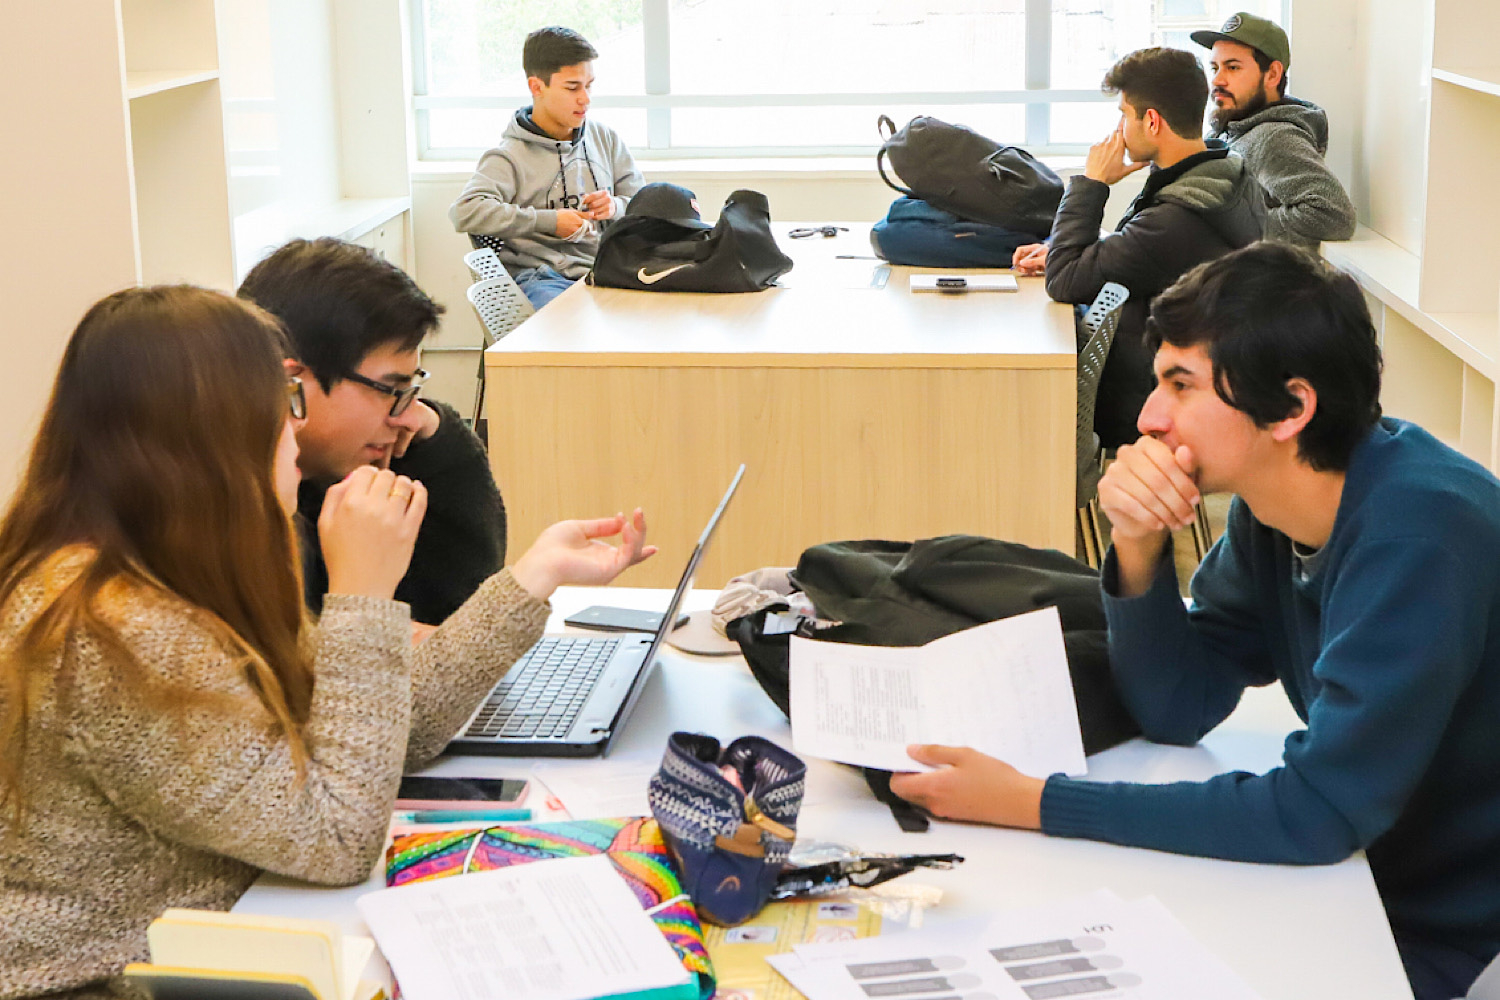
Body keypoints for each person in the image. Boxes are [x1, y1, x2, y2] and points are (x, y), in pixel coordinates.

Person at [0, 286, 654, 999]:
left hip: (216, 941)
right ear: (210, 440)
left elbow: (381, 737)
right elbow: (338, 837)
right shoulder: (111, 628)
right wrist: (363, 596)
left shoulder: (171, 567)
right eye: (283, 413)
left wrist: (534, 577)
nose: (294, 439)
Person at [889, 243, 1500, 1000]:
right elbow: (1180, 704)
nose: (1148, 417)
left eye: (1181, 385)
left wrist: (1032, 802)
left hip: (1448, 930)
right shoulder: (1273, 510)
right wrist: (1139, 546)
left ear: (1292, 407)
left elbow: (1316, 813)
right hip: (1360, 885)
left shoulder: (1421, 533)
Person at [239, 237, 502, 631]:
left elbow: (454, 608)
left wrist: (437, 441)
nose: (409, 416)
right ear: (290, 379)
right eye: (392, 390)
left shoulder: (326, 473)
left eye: (411, 390)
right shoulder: (229, 526)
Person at [1012, 47, 1263, 450]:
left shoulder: (1175, 218)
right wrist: (1092, 247)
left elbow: (1064, 281)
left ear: (1151, 120)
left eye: (1124, 114)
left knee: (1017, 398)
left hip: (1140, 400)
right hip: (1185, 382)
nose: (1119, 128)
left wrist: (1092, 184)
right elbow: (1155, 257)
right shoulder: (1221, 175)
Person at [449, 25, 643, 309]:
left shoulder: (604, 138)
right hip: (542, 279)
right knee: (570, 336)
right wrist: (551, 221)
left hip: (609, 270)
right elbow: (464, 211)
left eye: (589, 86)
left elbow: (644, 204)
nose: (585, 99)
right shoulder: (509, 156)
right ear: (536, 87)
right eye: (572, 87)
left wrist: (614, 206)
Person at [1192, 11, 1357, 249]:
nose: (1218, 80)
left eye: (1233, 68)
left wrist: (1234, 228)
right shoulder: (1232, 127)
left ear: (1272, 74)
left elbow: (1334, 215)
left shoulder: (1275, 138)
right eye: (1215, 67)